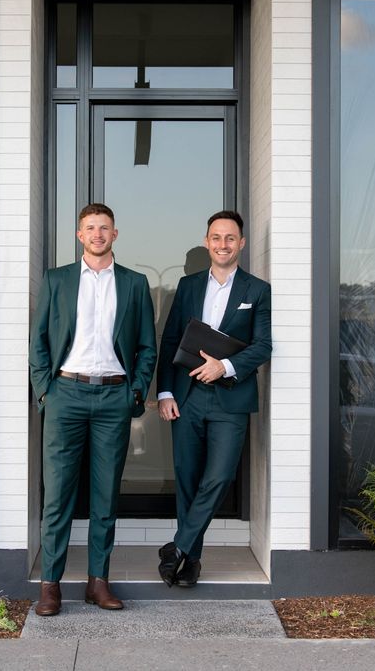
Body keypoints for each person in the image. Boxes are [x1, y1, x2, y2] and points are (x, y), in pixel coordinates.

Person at [29, 203, 156, 615]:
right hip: (65, 394)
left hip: (113, 399)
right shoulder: (57, 280)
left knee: (105, 497)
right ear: (79, 235)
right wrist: (46, 392)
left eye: (105, 228)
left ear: (115, 235)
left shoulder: (135, 284)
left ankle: (97, 582)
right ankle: (51, 585)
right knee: (58, 495)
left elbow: (146, 348)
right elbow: (40, 343)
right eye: (90, 228)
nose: (98, 234)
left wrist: (134, 393)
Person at [156, 210, 271, 587]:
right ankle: (190, 560)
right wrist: (166, 391)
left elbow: (263, 347)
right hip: (187, 397)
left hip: (230, 400)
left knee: (219, 477)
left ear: (241, 243)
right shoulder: (187, 286)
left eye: (230, 238)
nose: (223, 244)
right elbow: (170, 340)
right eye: (216, 237)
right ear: (207, 242)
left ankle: (178, 546)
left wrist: (225, 366)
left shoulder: (257, 290)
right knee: (187, 479)